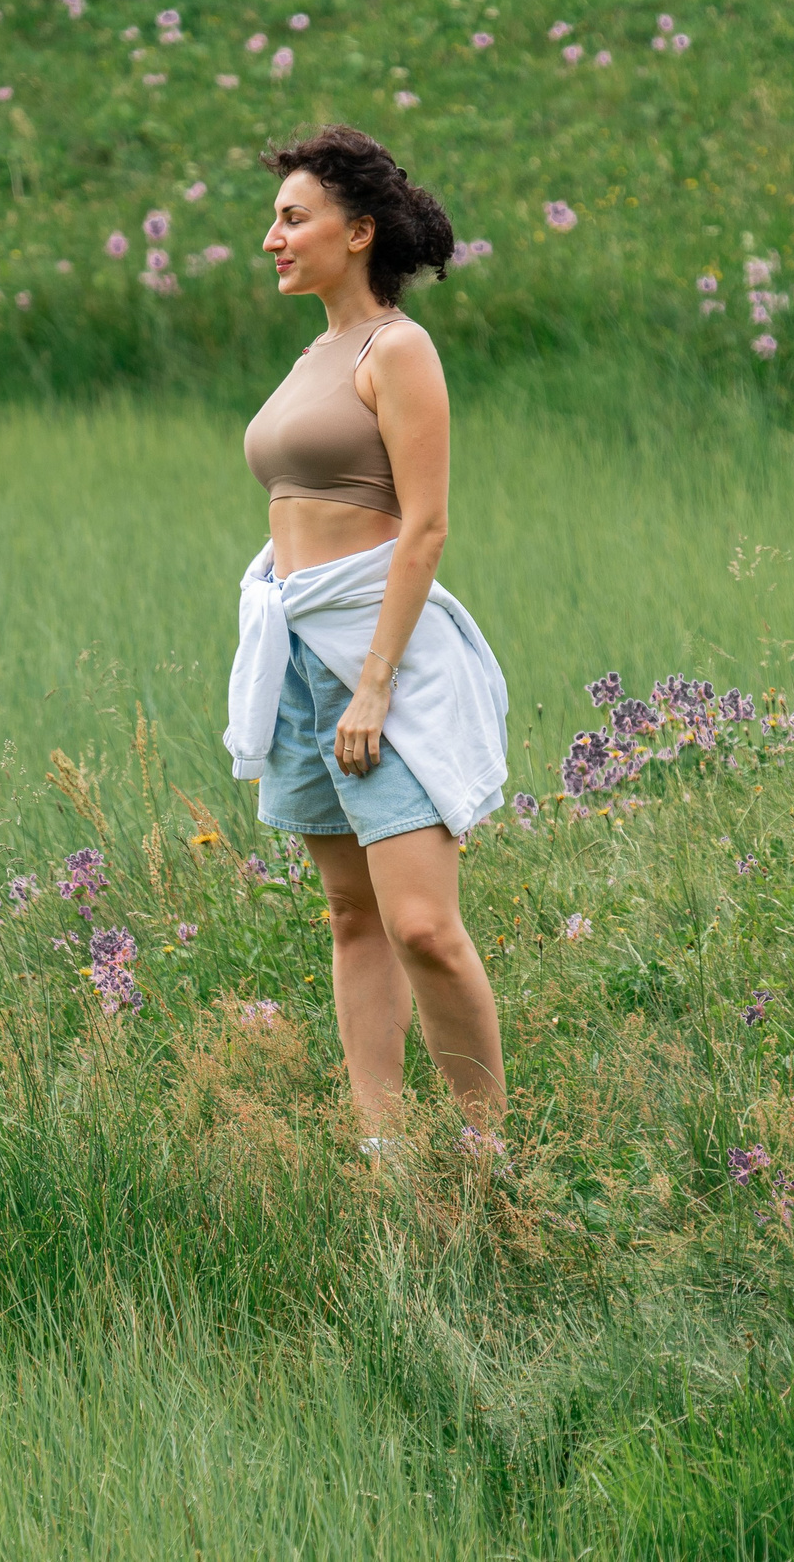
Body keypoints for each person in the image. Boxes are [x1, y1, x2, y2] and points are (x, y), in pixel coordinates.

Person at [223, 125, 512, 1162]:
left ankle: (487, 1152)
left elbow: (424, 527)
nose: (272, 238)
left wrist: (376, 684)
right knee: (353, 916)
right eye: (274, 220)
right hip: (301, 659)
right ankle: (384, 1155)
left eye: (292, 218)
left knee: (421, 925)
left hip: (377, 659)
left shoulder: (398, 349)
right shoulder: (313, 355)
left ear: (358, 233)